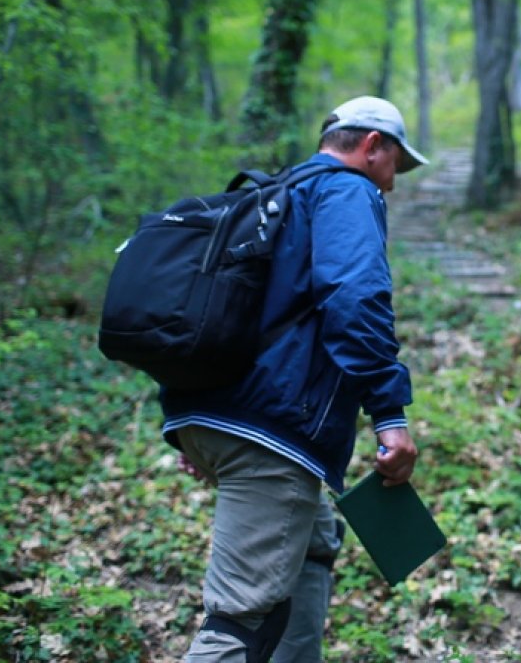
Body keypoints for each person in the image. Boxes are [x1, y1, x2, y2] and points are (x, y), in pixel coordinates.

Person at [160, 95, 429, 662]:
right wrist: (390, 416)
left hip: (219, 415)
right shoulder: (346, 190)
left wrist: (201, 422)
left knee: (313, 543)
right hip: (270, 431)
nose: (392, 185)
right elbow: (355, 298)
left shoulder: (274, 195)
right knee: (239, 619)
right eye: (394, 167)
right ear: (370, 145)